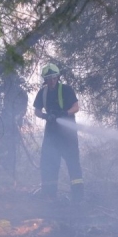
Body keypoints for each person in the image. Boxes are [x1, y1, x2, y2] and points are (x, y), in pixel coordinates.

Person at [33, 63, 84, 202]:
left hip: (68, 135)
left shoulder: (66, 90)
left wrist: (64, 113)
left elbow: (76, 107)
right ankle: (50, 196)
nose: (52, 81)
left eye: (54, 78)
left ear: (58, 77)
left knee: (73, 164)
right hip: (51, 135)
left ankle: (78, 198)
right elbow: (37, 111)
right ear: (45, 79)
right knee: (50, 164)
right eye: (48, 78)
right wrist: (45, 116)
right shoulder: (42, 93)